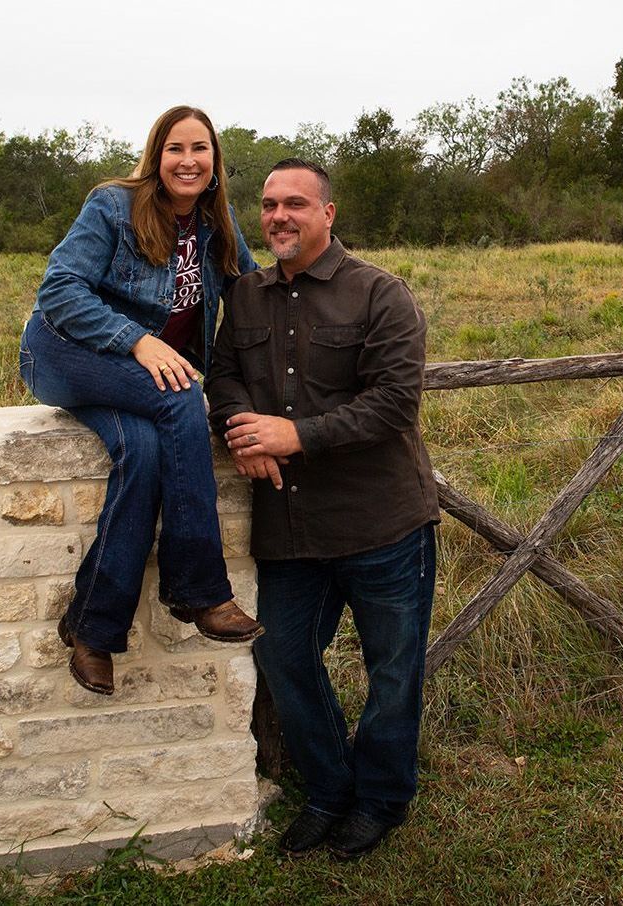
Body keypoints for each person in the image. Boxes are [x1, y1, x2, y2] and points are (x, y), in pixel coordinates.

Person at [206, 159, 441, 858]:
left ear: (328, 214)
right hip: (290, 527)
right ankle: (329, 791)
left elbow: (396, 403)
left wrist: (296, 435)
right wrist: (241, 429)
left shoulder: (380, 294)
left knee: (392, 672)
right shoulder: (242, 297)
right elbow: (221, 376)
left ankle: (382, 800)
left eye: (296, 204)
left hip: (382, 523)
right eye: (270, 205)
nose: (279, 216)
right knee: (284, 658)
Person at [19, 106, 263, 697]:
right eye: (175, 148)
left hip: (136, 383)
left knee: (148, 453)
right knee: (181, 399)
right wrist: (136, 340)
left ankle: (92, 628)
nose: (188, 160)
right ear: (157, 155)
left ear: (215, 161)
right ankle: (199, 589)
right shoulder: (113, 205)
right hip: (64, 354)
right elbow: (59, 290)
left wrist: (325, 285)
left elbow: (255, 295)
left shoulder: (218, 222)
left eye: (200, 149)